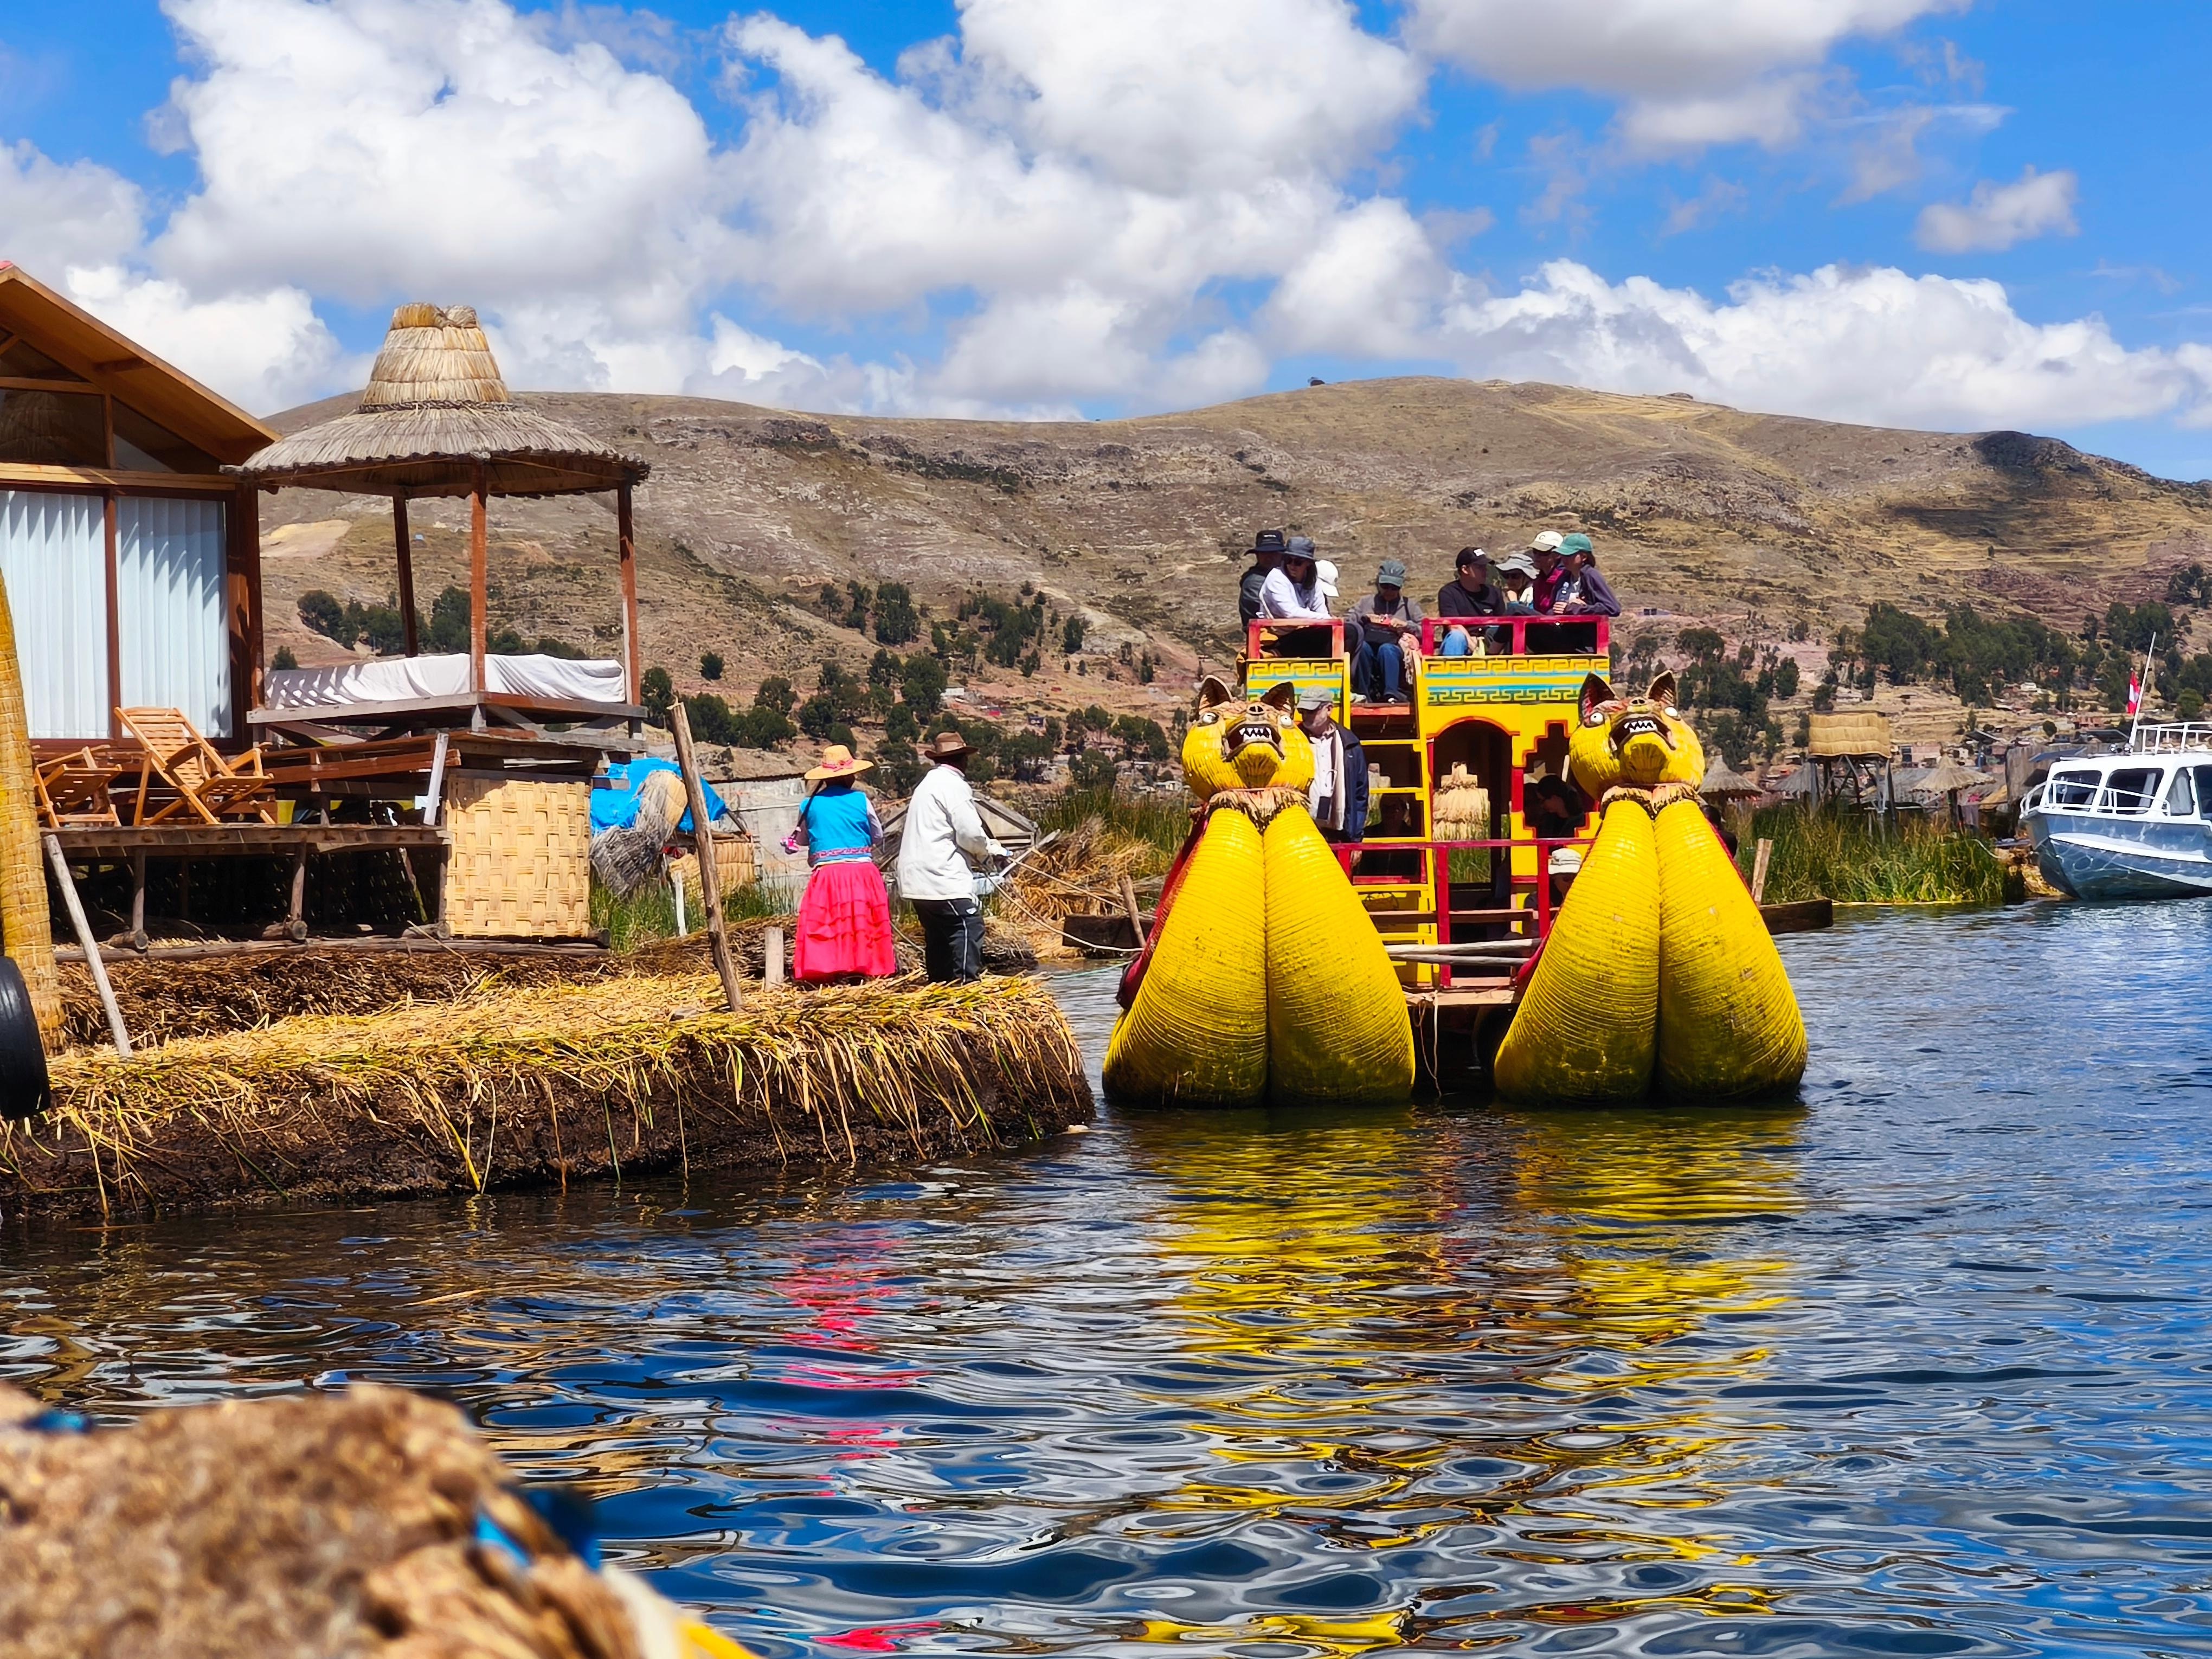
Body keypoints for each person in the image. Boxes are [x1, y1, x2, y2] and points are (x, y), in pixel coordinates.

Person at [896, 730, 1005, 983]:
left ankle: (940, 985)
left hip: (916, 880)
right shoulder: (953, 785)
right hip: (941, 876)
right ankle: (966, 985)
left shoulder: (927, 784)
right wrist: (988, 851)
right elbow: (969, 833)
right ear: (961, 759)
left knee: (938, 935)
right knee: (968, 926)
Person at [788, 744, 897, 982]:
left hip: (828, 875)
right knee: (860, 921)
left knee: (829, 924)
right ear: (849, 776)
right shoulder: (861, 800)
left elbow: (803, 839)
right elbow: (877, 835)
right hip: (861, 874)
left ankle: (832, 971)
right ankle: (861, 968)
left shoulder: (809, 804)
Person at [1296, 685, 1367, 843]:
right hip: (1302, 832)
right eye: (1303, 712)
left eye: (1311, 711)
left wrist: (1356, 838)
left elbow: (1360, 793)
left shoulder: (1350, 743)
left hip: (1340, 834)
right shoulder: (1294, 741)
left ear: (1329, 709)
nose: (1306, 716)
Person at [1347, 558, 1422, 703]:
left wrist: (1406, 625)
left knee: (1387, 650)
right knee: (1363, 648)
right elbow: (1348, 622)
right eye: (1385, 586)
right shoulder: (1366, 602)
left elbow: (1424, 629)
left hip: (1394, 649)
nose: (1389, 591)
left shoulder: (1409, 606)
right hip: (1369, 644)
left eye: (1394, 587)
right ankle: (1363, 694)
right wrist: (1365, 618)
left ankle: (1391, 694)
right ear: (1378, 584)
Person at [1260, 536, 1336, 658]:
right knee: (1330, 634)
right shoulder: (1276, 578)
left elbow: (1321, 611)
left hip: (1302, 633)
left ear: (1308, 564)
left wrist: (1327, 619)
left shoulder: (1313, 581)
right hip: (1279, 636)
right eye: (1288, 560)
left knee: (1352, 631)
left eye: (1298, 562)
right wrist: (1328, 619)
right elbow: (1290, 612)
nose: (1292, 566)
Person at [1436, 546, 1502, 657]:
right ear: (1465, 570)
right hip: (1463, 644)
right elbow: (1454, 625)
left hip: (1489, 644)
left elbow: (1503, 625)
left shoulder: (1494, 593)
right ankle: (1452, 667)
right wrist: (1475, 649)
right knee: (1456, 637)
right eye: (1479, 567)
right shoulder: (1448, 593)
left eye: (1485, 567)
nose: (1485, 571)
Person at [1238, 529, 1286, 628]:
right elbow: (1282, 611)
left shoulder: (1285, 576)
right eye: (1265, 553)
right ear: (1258, 556)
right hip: (1264, 633)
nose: (1269, 557)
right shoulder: (1254, 582)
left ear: (1282, 555)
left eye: (1274, 553)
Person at [1527, 530, 1567, 613]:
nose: (1537, 556)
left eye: (1543, 552)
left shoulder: (1564, 578)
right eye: (1535, 551)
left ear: (1557, 555)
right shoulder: (1539, 581)